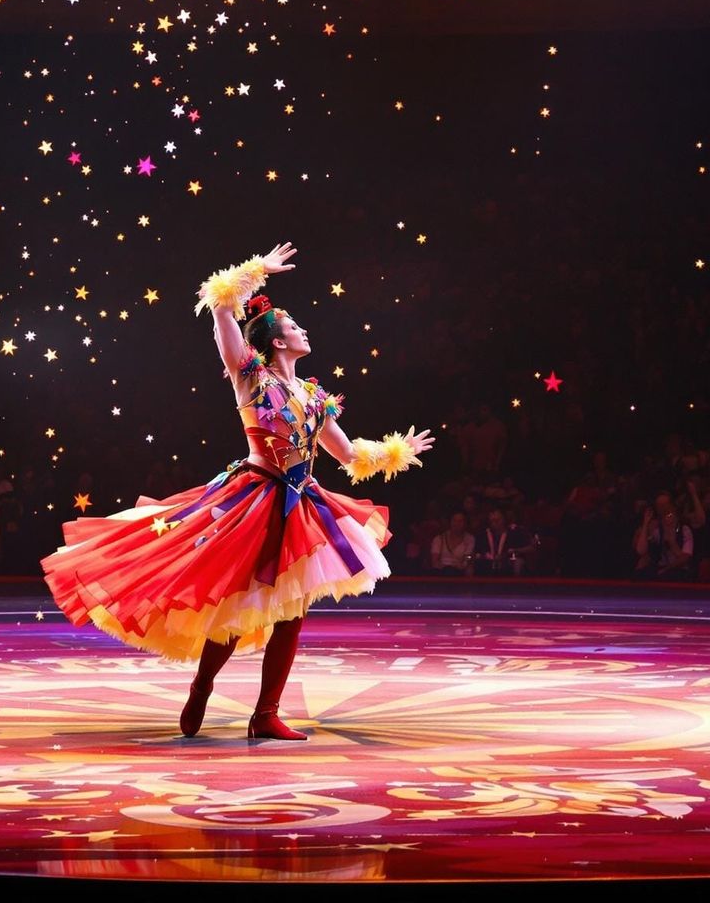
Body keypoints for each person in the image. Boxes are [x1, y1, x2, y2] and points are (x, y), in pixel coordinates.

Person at [42, 244, 433, 743]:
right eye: (295, 326)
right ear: (275, 340)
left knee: (292, 611)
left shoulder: (314, 397)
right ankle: (203, 683)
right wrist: (255, 273)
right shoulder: (249, 375)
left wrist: (396, 450)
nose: (304, 331)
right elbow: (220, 306)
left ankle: (265, 713)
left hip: (302, 503)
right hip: (252, 498)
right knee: (237, 605)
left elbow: (347, 456)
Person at [633, 494, 694, 580]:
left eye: (664, 505)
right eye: (658, 505)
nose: (661, 508)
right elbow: (641, 550)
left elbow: (684, 559)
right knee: (639, 574)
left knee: (670, 575)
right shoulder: (656, 529)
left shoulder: (684, 529)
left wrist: (672, 542)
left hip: (677, 569)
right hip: (661, 568)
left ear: (672, 507)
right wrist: (646, 523)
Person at [430, 510, 475, 575]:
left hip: (460, 571)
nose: (457, 523)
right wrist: (443, 567)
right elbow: (434, 561)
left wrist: (465, 564)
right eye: (454, 520)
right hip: (442, 572)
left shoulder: (470, 539)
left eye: (460, 521)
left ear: (465, 523)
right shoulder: (439, 539)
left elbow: (468, 556)